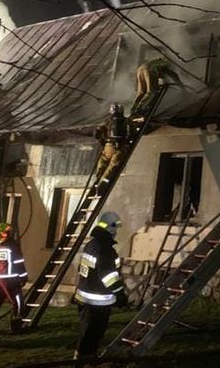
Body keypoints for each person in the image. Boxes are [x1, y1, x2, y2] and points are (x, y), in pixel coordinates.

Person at [73, 211, 127, 360]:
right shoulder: (105, 249)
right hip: (97, 300)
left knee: (88, 332)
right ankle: (85, 360)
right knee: (93, 332)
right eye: (115, 228)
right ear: (110, 228)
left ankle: (83, 357)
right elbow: (108, 275)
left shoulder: (91, 244)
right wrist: (120, 294)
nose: (116, 232)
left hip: (84, 296)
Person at [0, 222, 28, 336]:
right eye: (8, 231)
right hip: (11, 280)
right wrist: (23, 277)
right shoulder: (12, 246)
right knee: (17, 302)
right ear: (3, 234)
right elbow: (18, 262)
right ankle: (16, 327)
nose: (10, 233)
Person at [92, 103, 129, 191]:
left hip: (108, 147)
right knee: (111, 168)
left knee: (102, 163)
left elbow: (97, 133)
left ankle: (97, 181)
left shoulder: (107, 121)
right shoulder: (127, 121)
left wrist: (103, 142)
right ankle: (101, 186)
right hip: (120, 147)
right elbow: (134, 132)